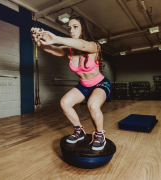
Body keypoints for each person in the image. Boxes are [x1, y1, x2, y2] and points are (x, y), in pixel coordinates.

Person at [31, 15, 112, 151]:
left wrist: (56, 38)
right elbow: (50, 49)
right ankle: (79, 130)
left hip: (100, 83)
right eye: (70, 28)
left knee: (92, 105)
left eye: (75, 27)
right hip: (84, 84)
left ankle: (99, 134)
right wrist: (38, 41)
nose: (72, 31)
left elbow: (82, 44)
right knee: (65, 103)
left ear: (83, 29)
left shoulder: (94, 46)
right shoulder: (69, 51)